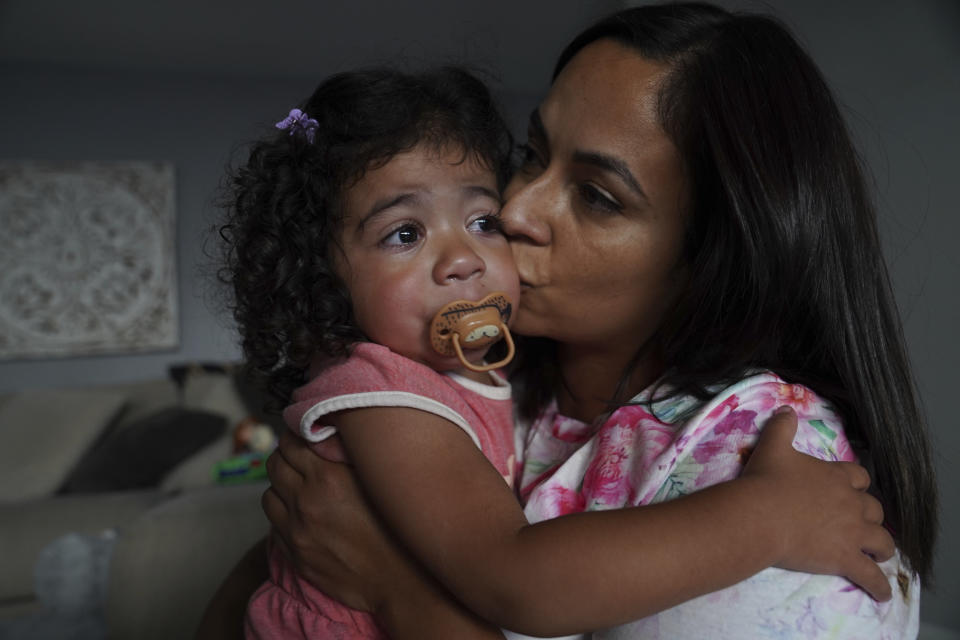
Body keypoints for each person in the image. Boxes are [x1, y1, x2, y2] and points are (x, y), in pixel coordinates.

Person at [203, 2, 938, 638]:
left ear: (712, 257)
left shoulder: (763, 450)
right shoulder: (433, 384)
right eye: (531, 154)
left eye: (597, 196)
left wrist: (393, 583)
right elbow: (498, 574)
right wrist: (766, 519)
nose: (512, 212)